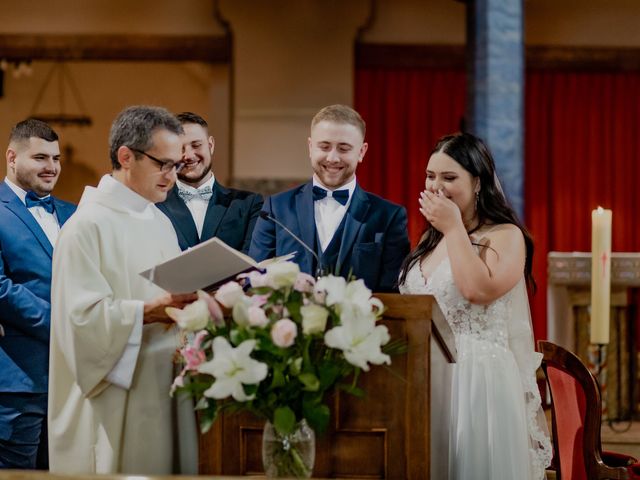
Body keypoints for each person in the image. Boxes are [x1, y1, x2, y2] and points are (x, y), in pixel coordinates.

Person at [48, 106, 198, 474]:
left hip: (163, 389)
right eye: (163, 164)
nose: (171, 178)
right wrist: (146, 311)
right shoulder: (85, 227)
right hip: (111, 406)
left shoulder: (159, 220)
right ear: (126, 157)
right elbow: (80, 322)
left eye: (176, 166)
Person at [398, 132, 551, 479]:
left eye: (449, 177)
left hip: (479, 380)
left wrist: (453, 228)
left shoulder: (506, 236)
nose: (436, 187)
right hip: (427, 377)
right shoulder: (427, 240)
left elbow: (476, 290)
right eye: (430, 176)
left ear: (478, 182)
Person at [249, 104, 409, 291]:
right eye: (324, 147)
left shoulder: (389, 216)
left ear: (362, 152)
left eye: (343, 148)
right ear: (310, 147)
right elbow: (255, 283)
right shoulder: (275, 208)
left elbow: (393, 292)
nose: (333, 158)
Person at [0, 119, 76, 469]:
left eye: (56, 158)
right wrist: (63, 324)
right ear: (12, 158)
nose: (51, 167)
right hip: (19, 379)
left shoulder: (74, 213)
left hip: (75, 380)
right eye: (40, 157)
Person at [157, 112, 263, 253]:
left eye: (196, 145)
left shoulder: (249, 203)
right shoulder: (155, 205)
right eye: (179, 148)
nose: (188, 155)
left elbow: (252, 260)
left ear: (210, 145)